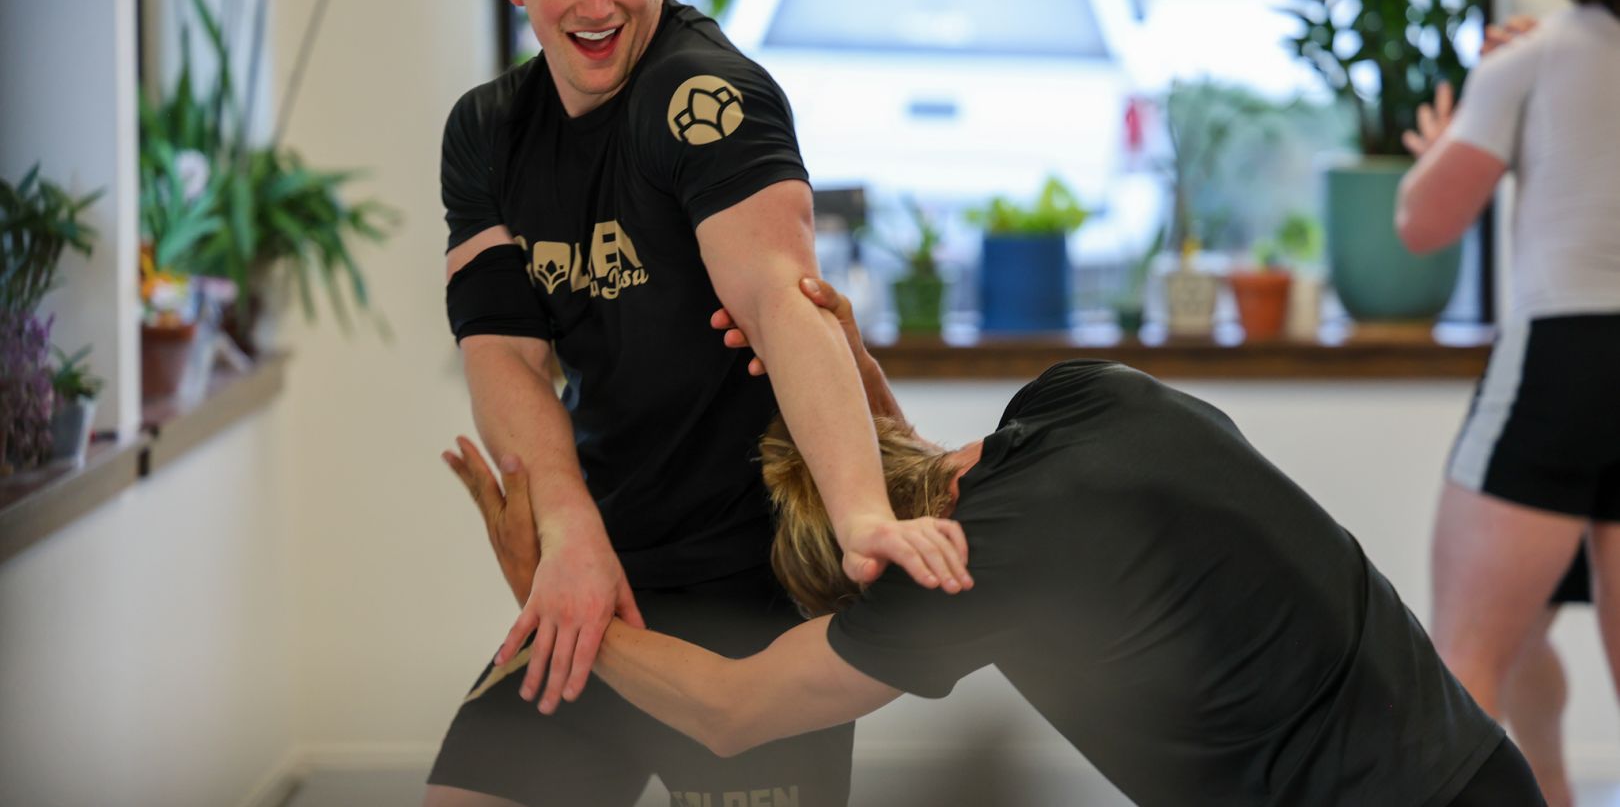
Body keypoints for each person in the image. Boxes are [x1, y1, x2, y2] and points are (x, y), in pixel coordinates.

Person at [455, 278, 1544, 807]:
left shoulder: (968, 572)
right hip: (1480, 772)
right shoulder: (1085, 400)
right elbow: (930, 469)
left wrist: (549, 591)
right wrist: (848, 369)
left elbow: (732, 712)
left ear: (865, 564)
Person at [429, 0, 969, 807]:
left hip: (752, 584)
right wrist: (567, 528)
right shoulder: (488, 133)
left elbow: (781, 297)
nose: (598, 3)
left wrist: (860, 518)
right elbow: (503, 353)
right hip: (603, 564)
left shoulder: (707, 99)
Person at [1395, 0, 1620, 807]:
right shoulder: (1533, 59)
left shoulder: (1533, 58)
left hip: (1565, 360)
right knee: (1522, 637)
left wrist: (1448, 145)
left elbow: (1422, 224)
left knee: (1463, 663)